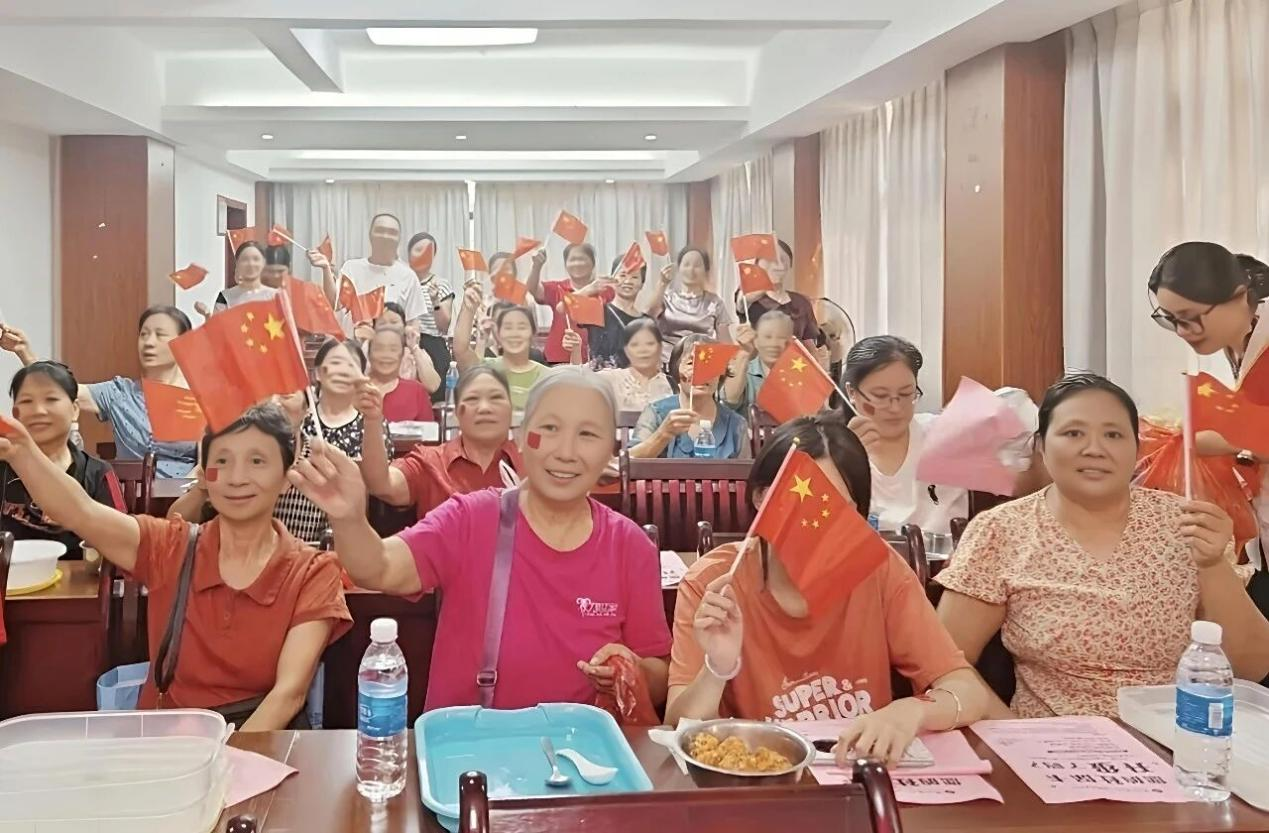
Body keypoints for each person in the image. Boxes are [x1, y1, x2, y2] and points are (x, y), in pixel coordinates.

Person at [287, 369, 672, 711]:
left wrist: (630, 669)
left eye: (587, 435)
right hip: (470, 750)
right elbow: (379, 567)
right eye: (550, 428)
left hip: (586, 754)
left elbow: (658, 675)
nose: (566, 452)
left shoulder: (631, 546)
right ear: (522, 438)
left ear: (610, 451)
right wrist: (349, 518)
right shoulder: (471, 518)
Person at [936, 373, 1269, 718]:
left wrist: (1212, 565)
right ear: (1041, 445)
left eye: (1113, 435)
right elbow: (943, 663)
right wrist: (1013, 733)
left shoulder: (1186, 523)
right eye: (1073, 433)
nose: (1094, 449)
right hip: (1051, 741)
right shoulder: (1002, 530)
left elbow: (1252, 667)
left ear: (1137, 448)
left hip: (1172, 736)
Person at [0, 404, 351, 727]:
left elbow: (289, 695)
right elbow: (81, 511)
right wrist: (21, 451)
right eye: (222, 461)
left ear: (287, 477)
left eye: (257, 461)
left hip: (258, 743)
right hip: (167, 741)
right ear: (205, 475)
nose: (237, 477)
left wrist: (223, 761)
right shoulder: (171, 545)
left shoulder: (313, 571)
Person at [666, 415, 989, 765]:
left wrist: (912, 710)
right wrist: (717, 668)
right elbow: (680, 726)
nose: (817, 522)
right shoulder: (714, 584)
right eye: (801, 501)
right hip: (761, 775)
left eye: (837, 508)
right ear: (761, 497)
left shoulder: (879, 570)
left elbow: (966, 689)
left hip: (860, 773)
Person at [1148, 242, 1269, 567]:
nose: (1182, 332)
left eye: (1190, 318)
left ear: (1239, 296)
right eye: (1171, 320)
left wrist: (1224, 440)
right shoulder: (1240, 340)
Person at [1, 306, 198, 478]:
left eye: (160, 335)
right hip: (128, 501)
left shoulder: (201, 397)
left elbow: (207, 464)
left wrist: (185, 493)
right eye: (144, 334)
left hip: (184, 499)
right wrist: (25, 352)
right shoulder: (120, 392)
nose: (148, 342)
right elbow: (64, 390)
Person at [359, 365, 521, 520]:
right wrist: (372, 420)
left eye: (496, 398)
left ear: (511, 410)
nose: (484, 408)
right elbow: (382, 484)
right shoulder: (431, 462)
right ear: (456, 413)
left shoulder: (530, 462)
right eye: (472, 399)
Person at [843, 336, 967, 535]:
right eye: (881, 396)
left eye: (906, 394)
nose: (895, 408)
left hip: (945, 554)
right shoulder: (832, 450)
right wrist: (846, 459)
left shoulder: (944, 434)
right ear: (852, 392)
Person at [1, 362, 125, 559]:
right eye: (27, 401)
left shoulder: (97, 473)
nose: (39, 410)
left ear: (75, 409)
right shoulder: (4, 467)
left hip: (80, 579)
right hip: (10, 578)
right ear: (16, 413)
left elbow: (121, 542)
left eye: (51, 399)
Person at [631, 335, 749, 460]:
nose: (700, 372)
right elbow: (630, 461)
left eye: (710, 364)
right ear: (676, 370)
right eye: (691, 363)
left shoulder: (736, 425)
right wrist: (663, 434)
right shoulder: (656, 413)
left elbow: (748, 471)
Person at [455, 285, 559, 412]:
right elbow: (461, 350)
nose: (515, 334)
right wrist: (468, 309)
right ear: (498, 334)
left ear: (532, 333)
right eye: (508, 327)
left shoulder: (547, 376)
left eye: (521, 327)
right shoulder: (487, 368)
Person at [336, 212, 429, 334]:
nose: (385, 236)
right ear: (370, 235)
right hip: (352, 343)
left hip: (390, 344)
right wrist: (326, 270)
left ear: (399, 239)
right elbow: (337, 305)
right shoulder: (350, 268)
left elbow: (413, 323)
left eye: (392, 232)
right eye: (380, 230)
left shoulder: (408, 276)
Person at [525, 243, 615, 365]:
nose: (577, 263)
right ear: (566, 265)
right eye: (572, 260)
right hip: (558, 359)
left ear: (593, 263)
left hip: (594, 359)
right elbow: (532, 289)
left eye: (582, 259)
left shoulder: (605, 290)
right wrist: (536, 266)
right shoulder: (557, 288)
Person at [645, 247, 735, 363]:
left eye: (697, 265)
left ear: (706, 270)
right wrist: (662, 283)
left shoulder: (715, 302)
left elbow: (726, 343)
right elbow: (648, 315)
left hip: (699, 364)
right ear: (679, 268)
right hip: (665, 364)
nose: (691, 270)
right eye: (686, 264)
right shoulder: (667, 298)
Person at [405, 231, 454, 395]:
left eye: (428, 252)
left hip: (433, 344)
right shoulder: (400, 283)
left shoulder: (441, 284)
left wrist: (435, 302)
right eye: (418, 250)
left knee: (436, 396)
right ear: (409, 253)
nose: (423, 255)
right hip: (404, 344)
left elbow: (444, 326)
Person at [745, 240, 820, 343]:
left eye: (783, 260)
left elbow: (809, 340)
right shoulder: (748, 302)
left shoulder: (801, 302)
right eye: (771, 260)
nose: (778, 266)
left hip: (796, 353)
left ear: (790, 265)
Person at [720, 311, 795, 413]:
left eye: (781, 337)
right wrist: (744, 353)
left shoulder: (802, 374)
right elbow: (729, 400)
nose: (774, 344)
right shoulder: (744, 370)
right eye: (767, 337)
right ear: (756, 340)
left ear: (790, 342)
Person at [596, 320, 673, 413]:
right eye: (634, 345)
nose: (643, 350)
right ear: (626, 350)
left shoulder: (671, 385)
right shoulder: (610, 379)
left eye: (650, 344)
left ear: (660, 347)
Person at [587, 256, 651, 369]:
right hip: (599, 378)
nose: (628, 281)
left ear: (642, 284)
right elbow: (563, 307)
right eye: (622, 275)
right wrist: (589, 289)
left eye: (634, 277)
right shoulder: (597, 311)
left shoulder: (647, 322)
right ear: (613, 279)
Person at [366, 325, 435, 424]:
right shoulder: (356, 389)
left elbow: (428, 432)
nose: (386, 355)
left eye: (393, 349)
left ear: (402, 355)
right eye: (379, 349)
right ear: (369, 355)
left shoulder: (416, 391)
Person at [371, 302, 441, 393]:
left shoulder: (415, 353)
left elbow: (433, 386)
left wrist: (414, 348)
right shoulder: (368, 352)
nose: (389, 327)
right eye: (382, 323)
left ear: (404, 326)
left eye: (394, 322)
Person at [212, 242, 278, 312]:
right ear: (237, 263)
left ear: (264, 262)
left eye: (256, 259)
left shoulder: (275, 296)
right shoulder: (224, 297)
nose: (251, 264)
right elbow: (218, 319)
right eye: (245, 259)